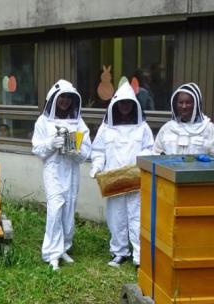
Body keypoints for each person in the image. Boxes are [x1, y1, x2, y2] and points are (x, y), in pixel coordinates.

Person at [90, 82, 154, 268]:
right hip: (114, 179)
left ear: (134, 105)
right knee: (116, 216)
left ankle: (139, 256)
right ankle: (119, 252)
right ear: (115, 105)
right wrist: (96, 166)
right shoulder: (106, 128)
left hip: (136, 179)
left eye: (128, 103)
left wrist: (142, 159)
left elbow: (151, 149)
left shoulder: (143, 128)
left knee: (137, 217)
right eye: (122, 103)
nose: (125, 106)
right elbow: (98, 151)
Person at [31, 80, 92, 271]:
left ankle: (64, 247)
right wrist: (51, 143)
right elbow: (37, 149)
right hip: (53, 169)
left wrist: (75, 151)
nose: (65, 101)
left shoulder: (78, 122)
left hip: (71, 170)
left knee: (69, 207)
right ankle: (52, 253)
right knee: (56, 207)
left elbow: (86, 152)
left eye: (68, 98)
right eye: (62, 97)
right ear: (54, 99)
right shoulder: (43, 121)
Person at [153, 82, 214, 157]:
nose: (184, 106)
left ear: (196, 105)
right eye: (181, 103)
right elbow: (156, 154)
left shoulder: (208, 129)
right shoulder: (167, 128)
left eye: (188, 103)